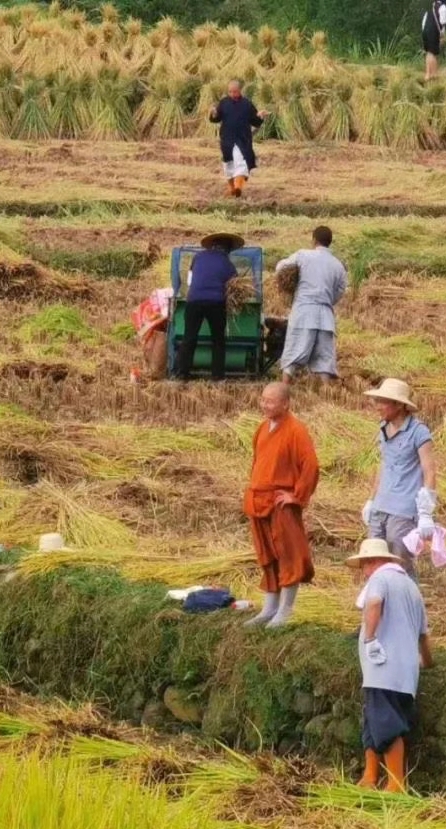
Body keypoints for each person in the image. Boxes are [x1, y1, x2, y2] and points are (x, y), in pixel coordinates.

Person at [348, 539, 432, 793]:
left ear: (373, 562)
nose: (364, 571)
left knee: (386, 724)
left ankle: (396, 784)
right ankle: (370, 777)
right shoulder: (412, 588)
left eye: (364, 565)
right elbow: (423, 634)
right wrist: (427, 662)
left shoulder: (380, 579)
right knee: (374, 722)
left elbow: (373, 603)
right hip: (406, 674)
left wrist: (371, 638)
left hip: (383, 668)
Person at [242, 382, 320, 628]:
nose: (265, 405)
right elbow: (257, 462)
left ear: (285, 404)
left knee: (288, 554)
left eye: (271, 401)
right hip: (258, 501)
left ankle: (285, 610)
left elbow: (311, 465)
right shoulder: (262, 428)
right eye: (263, 400)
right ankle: (269, 607)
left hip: (280, 504)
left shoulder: (296, 430)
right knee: (267, 555)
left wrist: (296, 496)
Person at [362, 379, 438, 581]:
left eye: (383, 402)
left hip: (403, 509)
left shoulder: (418, 432)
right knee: (375, 557)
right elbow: (384, 465)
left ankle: (408, 603)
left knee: (399, 561)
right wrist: (371, 500)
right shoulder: (383, 428)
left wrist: (425, 512)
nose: (378, 407)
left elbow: (429, 471)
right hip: (381, 505)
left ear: (398, 405)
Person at [276, 226, 348, 383]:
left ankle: (284, 387)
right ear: (330, 242)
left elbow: (282, 268)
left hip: (304, 311)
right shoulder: (337, 265)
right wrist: (329, 301)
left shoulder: (303, 256)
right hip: (326, 316)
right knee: (324, 357)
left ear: (314, 240)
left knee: (294, 351)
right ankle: (325, 393)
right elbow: (341, 289)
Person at [175, 232, 244, 382]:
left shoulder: (198, 257)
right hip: (216, 302)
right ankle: (217, 376)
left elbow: (189, 281)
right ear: (227, 249)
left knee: (189, 338)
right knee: (218, 340)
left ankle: (182, 374)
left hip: (194, 301)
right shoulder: (227, 264)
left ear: (213, 245)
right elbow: (235, 286)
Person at [208, 80, 269, 198]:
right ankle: (232, 190)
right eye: (230, 92)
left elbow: (254, 121)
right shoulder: (224, 103)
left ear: (239, 91)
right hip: (227, 139)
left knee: (241, 162)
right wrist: (214, 113)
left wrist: (260, 116)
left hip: (242, 139)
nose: (232, 94)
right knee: (228, 165)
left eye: (234, 92)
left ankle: (238, 188)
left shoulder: (247, 104)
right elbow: (216, 119)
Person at [422, 0, 446, 79]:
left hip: (425, 31)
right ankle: (434, 75)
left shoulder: (430, 7)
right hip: (433, 31)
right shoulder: (442, 7)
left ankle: (427, 74)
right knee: (433, 53)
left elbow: (423, 23)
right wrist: (443, 34)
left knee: (429, 53)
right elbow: (443, 21)